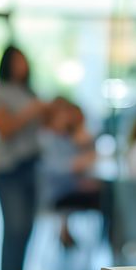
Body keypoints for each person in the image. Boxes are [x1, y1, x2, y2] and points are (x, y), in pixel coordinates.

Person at [0, 45, 46, 270]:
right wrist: (30, 112)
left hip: (30, 166)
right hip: (8, 169)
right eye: (18, 61)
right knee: (12, 228)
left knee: (26, 230)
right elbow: (5, 129)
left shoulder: (28, 92)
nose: (22, 66)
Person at [39, 98, 100, 248]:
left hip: (72, 187)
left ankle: (66, 230)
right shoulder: (46, 137)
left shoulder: (67, 137)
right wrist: (79, 163)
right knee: (107, 197)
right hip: (57, 192)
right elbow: (55, 169)